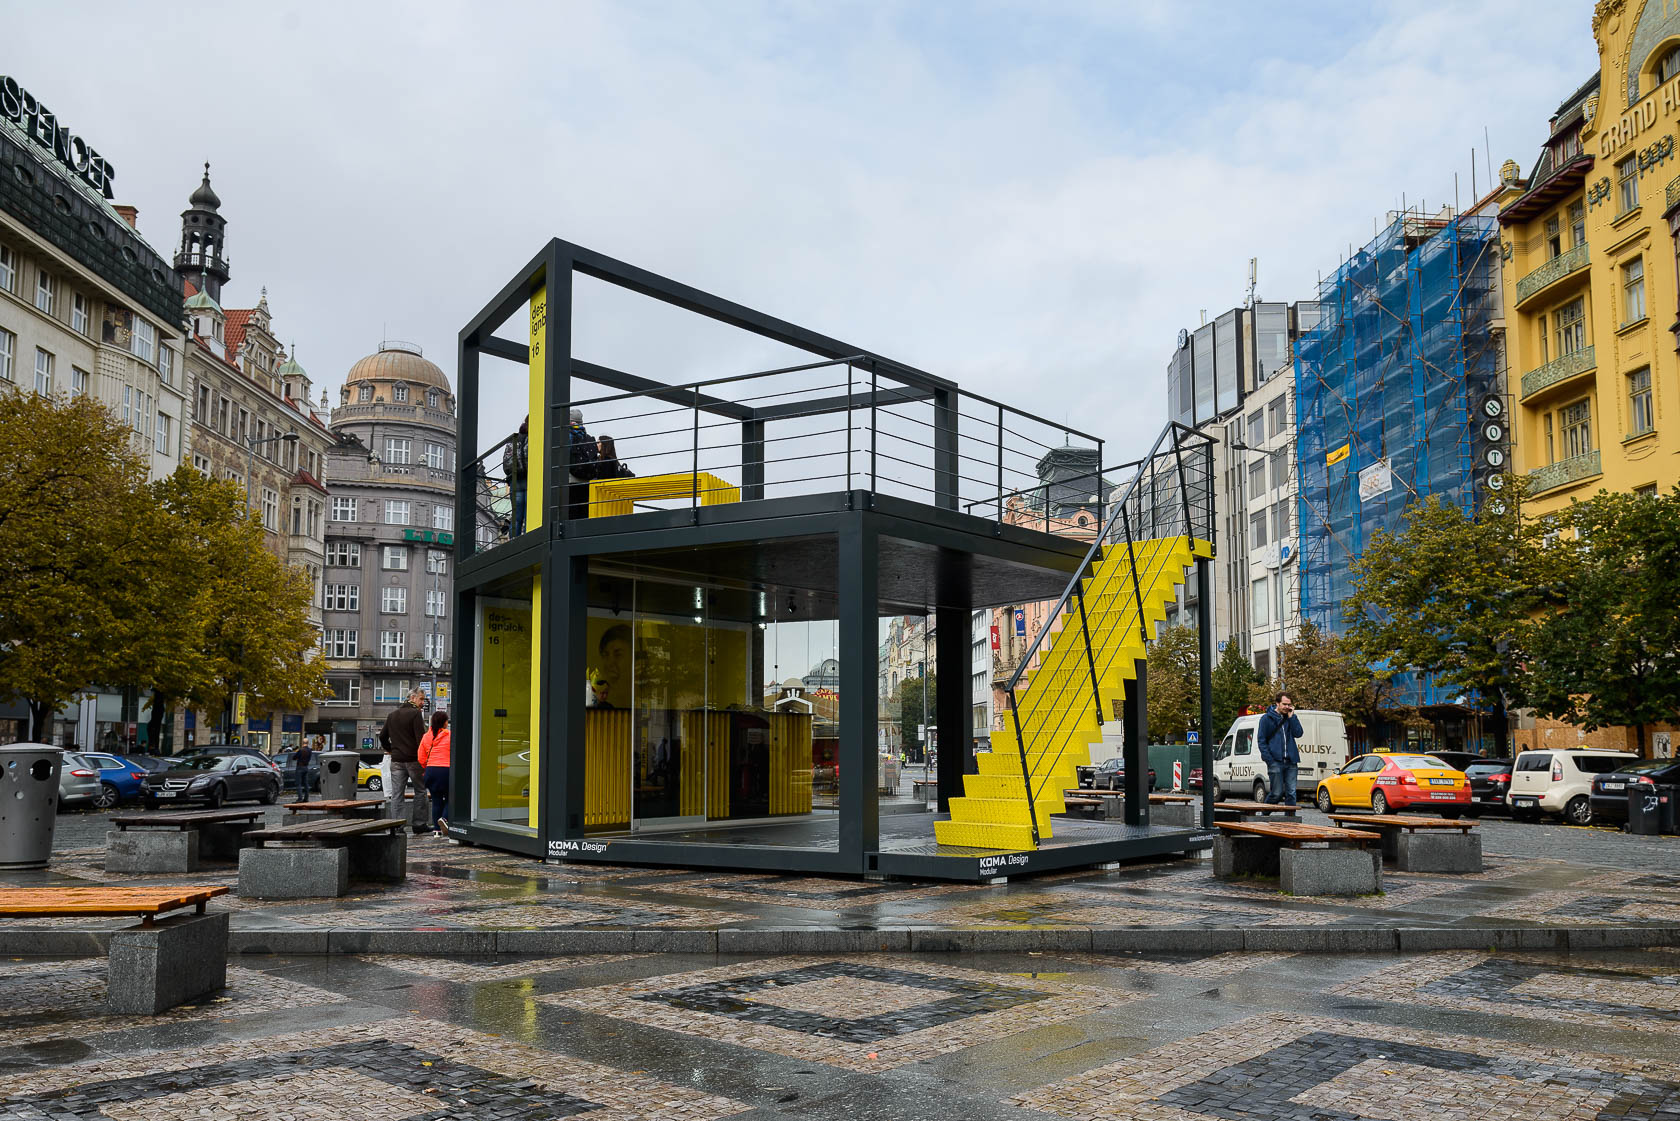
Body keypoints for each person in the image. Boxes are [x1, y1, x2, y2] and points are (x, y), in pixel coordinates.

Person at [379, 688, 431, 834]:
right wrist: (425, 758)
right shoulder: (415, 714)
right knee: (420, 791)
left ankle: (398, 826)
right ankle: (419, 824)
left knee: (397, 795)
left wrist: (390, 750)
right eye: (421, 699)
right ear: (412, 698)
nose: (423, 702)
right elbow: (421, 739)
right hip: (414, 760)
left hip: (396, 761)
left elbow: (382, 736)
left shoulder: (392, 715)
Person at [1256, 691, 1304, 806]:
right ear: (1277, 703)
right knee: (1276, 793)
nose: (1287, 707)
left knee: (1291, 793)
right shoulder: (1266, 719)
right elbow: (1261, 741)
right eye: (1284, 704)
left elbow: (1298, 733)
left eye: (1289, 704)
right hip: (1275, 762)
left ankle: (1290, 817)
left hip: (1291, 762)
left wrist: (1292, 718)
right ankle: (1264, 813)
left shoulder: (1291, 717)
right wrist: (1270, 760)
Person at [418, 709, 451, 836]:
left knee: (436, 801)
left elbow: (421, 757)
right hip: (446, 770)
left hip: (430, 771)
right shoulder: (450, 735)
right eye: (447, 721)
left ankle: (437, 830)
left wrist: (427, 767)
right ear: (444, 722)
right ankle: (445, 818)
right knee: (451, 798)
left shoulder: (426, 736)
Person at [567, 407, 599, 520]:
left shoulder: (567, 436)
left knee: (571, 515)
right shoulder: (588, 437)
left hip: (571, 480)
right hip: (587, 480)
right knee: (584, 514)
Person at [504, 417, 529, 536]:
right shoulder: (533, 438)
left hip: (514, 480)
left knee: (516, 516)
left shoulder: (513, 439)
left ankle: (514, 540)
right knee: (528, 515)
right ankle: (528, 540)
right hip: (528, 479)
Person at [292, 736, 313, 803]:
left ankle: (300, 798)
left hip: (300, 767)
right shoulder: (309, 751)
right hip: (306, 767)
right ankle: (306, 798)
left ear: (302, 743)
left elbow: (294, 757)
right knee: (306, 783)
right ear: (308, 743)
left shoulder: (301, 750)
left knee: (298, 783)